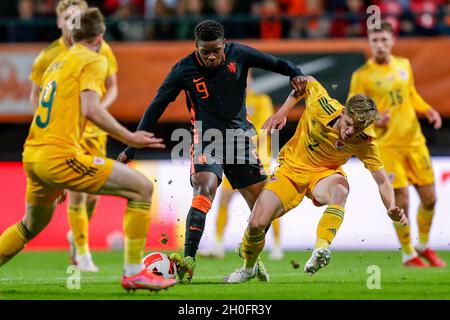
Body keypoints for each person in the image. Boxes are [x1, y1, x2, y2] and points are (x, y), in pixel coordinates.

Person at [118, 19, 306, 283]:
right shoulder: (183, 70)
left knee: (263, 208)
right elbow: (157, 105)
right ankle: (189, 259)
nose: (211, 56)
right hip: (207, 138)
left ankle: (251, 263)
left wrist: (295, 72)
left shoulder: (240, 54)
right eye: (205, 51)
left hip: (240, 140)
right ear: (196, 46)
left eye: (216, 50)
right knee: (204, 187)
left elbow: (277, 64)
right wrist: (132, 147)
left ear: (224, 44)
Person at [0, 8, 176, 291]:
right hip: (57, 155)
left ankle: (107, 261)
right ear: (101, 36)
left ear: (71, 34)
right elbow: (91, 109)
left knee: (29, 226)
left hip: (34, 154)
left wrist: (53, 176)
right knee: (142, 189)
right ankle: (133, 272)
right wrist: (131, 136)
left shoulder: (58, 61)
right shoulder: (93, 58)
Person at [224, 76, 408, 283]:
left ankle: (321, 249)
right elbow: (306, 82)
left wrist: (391, 206)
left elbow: (382, 181)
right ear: (343, 112)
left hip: (324, 175)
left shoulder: (366, 141)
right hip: (290, 170)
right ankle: (248, 269)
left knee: (340, 191)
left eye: (357, 129)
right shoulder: (322, 104)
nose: (350, 132)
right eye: (348, 124)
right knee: (257, 223)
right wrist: (282, 112)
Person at [29, 0, 119, 272]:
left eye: (78, 17)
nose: (74, 22)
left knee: (92, 196)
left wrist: (96, 110)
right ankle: (83, 253)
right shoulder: (48, 56)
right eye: (68, 18)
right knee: (79, 193)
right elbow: (36, 96)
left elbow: (113, 87)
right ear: (59, 23)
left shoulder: (101, 48)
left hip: (95, 133)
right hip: (68, 135)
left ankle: (76, 237)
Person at [348, 21, 445, 268]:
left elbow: (411, 94)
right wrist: (375, 117)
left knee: (430, 198)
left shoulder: (404, 65)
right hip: (386, 145)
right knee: (401, 200)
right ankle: (408, 253)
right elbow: (353, 109)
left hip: (413, 141)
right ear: (369, 45)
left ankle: (423, 244)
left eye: (383, 40)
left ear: (392, 41)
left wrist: (428, 109)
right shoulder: (361, 75)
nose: (379, 45)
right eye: (374, 41)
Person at [199, 72, 284, 260]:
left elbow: (264, 129)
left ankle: (277, 246)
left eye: (246, 78)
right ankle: (219, 245)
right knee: (224, 199)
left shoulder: (261, 100)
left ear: (251, 80)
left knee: (268, 205)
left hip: (259, 160)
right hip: (235, 158)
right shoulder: (230, 102)